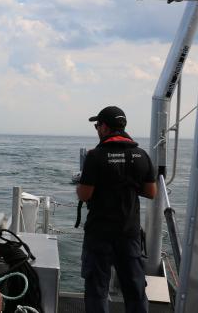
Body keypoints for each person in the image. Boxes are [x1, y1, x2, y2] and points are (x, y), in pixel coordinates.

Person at [76, 106, 157, 313]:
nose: (97, 129)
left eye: (97, 125)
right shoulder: (141, 155)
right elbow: (151, 192)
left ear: (104, 127)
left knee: (97, 288)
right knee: (135, 288)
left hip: (99, 233)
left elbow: (85, 195)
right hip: (129, 232)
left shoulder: (96, 156)